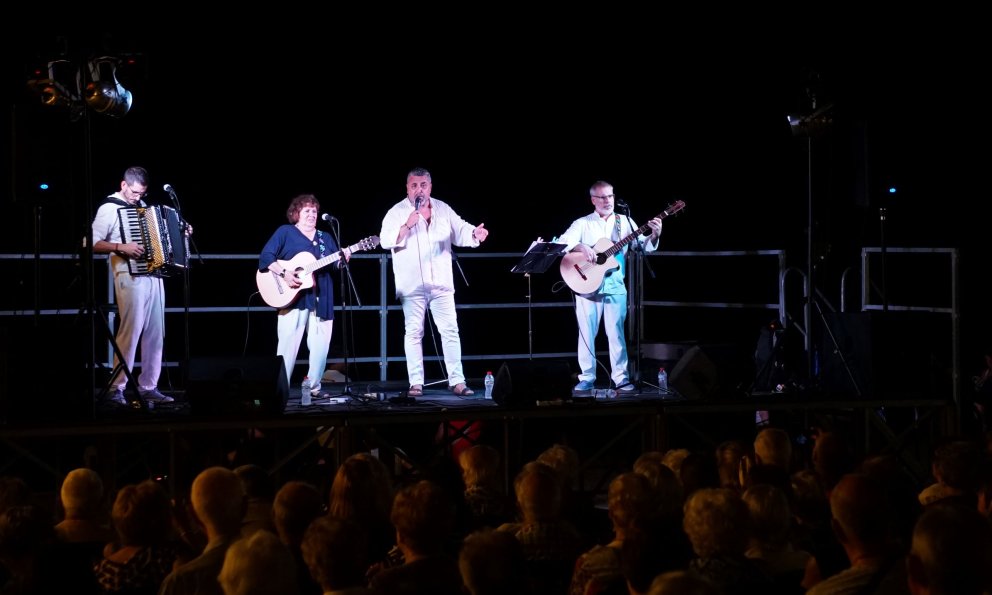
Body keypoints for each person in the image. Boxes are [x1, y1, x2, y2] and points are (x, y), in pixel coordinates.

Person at [379, 167, 489, 397]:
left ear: (430, 186)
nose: (419, 189)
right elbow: (385, 241)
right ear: (407, 188)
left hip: (441, 283)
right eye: (414, 185)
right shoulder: (396, 212)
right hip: (412, 285)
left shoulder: (442, 208)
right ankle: (416, 382)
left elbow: (461, 229)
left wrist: (474, 234)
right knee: (414, 332)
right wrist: (407, 224)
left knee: (450, 331)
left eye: (423, 185)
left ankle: (457, 381)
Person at [91, 166, 187, 405]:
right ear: (123, 185)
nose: (137, 197)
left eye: (141, 193)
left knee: (156, 332)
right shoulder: (109, 208)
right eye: (134, 192)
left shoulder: (141, 207)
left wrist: (180, 230)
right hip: (128, 274)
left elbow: (161, 234)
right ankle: (117, 387)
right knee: (131, 331)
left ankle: (148, 386)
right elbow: (90, 242)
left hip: (153, 275)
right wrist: (120, 247)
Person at [557, 180, 661, 392]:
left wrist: (655, 234)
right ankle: (586, 377)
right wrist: (582, 246)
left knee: (616, 333)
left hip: (615, 285)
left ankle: (621, 378)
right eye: (602, 197)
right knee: (587, 333)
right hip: (586, 286)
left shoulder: (625, 221)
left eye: (610, 196)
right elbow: (563, 242)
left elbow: (641, 246)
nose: (607, 201)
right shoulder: (582, 223)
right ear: (593, 200)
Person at [259, 194, 350, 397]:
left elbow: (335, 264)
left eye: (314, 211)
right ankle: (279, 390)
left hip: (322, 298)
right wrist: (285, 273)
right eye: (307, 210)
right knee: (287, 347)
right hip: (293, 299)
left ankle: (314, 387)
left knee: (320, 348)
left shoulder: (325, 237)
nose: (312, 214)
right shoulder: (285, 232)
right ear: (296, 213)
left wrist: (343, 258)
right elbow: (266, 256)